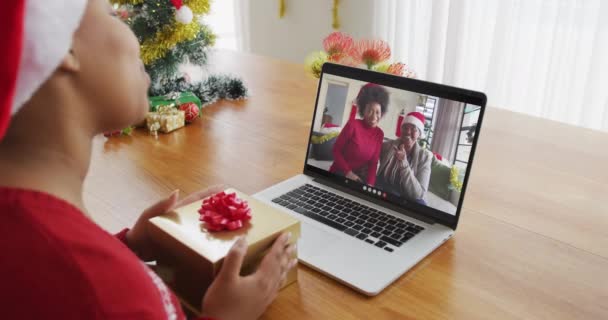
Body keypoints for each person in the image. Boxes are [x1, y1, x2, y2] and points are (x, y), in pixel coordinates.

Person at [0, 1, 296, 319]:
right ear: (61, 47)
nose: (133, 33)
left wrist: (126, 247)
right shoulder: (109, 292)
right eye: (111, 14)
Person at [329, 83, 388, 185]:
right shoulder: (353, 125)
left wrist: (370, 185)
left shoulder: (379, 134)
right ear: (363, 111)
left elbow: (373, 163)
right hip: (340, 172)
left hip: (358, 177)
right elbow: (336, 150)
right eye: (370, 110)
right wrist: (348, 173)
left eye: (377, 112)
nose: (374, 116)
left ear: (381, 113)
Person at [376, 111, 432, 205]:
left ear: (419, 134)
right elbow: (370, 153)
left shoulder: (425, 158)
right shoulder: (388, 146)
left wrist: (404, 163)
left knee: (421, 204)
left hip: (406, 196)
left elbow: (419, 194)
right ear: (401, 130)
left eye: (413, 129)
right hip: (384, 187)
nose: (408, 132)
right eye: (405, 127)